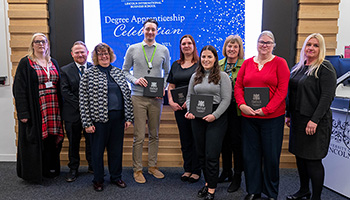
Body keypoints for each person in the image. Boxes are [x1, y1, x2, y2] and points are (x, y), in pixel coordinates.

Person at [234, 30, 290, 200]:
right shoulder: (247, 63)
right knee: (251, 156)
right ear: (257, 44)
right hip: (249, 118)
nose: (264, 45)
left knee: (271, 156)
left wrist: (267, 109)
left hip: (272, 119)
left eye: (268, 42)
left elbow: (282, 91)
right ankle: (253, 190)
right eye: (261, 42)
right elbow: (238, 86)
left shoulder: (280, 63)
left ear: (273, 45)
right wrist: (242, 105)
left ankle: (271, 193)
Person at [285, 33, 336, 200]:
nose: (311, 48)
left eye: (315, 45)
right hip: (298, 120)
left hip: (316, 121)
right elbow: (292, 93)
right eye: (309, 45)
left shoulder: (325, 68)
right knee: (300, 157)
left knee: (313, 161)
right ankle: (304, 190)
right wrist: (288, 114)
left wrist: (314, 120)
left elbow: (327, 97)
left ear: (321, 48)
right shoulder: (298, 67)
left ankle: (316, 197)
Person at [79, 43, 134, 191]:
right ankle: (98, 180)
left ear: (111, 55)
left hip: (118, 119)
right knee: (97, 152)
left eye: (106, 54)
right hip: (98, 121)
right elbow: (83, 100)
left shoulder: (118, 72)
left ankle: (116, 177)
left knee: (116, 150)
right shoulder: (89, 74)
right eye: (101, 54)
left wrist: (128, 117)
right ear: (96, 57)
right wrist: (87, 122)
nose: (104, 56)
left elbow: (126, 97)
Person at [122, 18, 170, 184]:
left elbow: (168, 73)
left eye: (153, 29)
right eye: (147, 29)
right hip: (138, 97)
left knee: (154, 134)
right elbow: (125, 71)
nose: (150, 32)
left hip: (156, 99)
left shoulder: (163, 50)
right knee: (139, 135)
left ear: (157, 32)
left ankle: (152, 166)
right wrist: (135, 80)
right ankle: (137, 169)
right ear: (143, 30)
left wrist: (163, 88)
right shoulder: (133, 49)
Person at [13, 32, 64, 183]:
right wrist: (23, 112)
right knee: (35, 140)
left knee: (51, 139)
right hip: (36, 108)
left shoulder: (52, 62)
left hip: (53, 107)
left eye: (43, 41)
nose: (41, 44)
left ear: (47, 44)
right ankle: (34, 173)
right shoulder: (26, 62)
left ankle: (49, 170)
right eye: (37, 42)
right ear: (32, 45)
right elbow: (19, 89)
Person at [185, 45, 232, 200]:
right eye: (203, 57)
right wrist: (190, 111)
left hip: (216, 117)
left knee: (211, 155)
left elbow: (226, 99)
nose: (206, 60)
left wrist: (215, 115)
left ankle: (212, 189)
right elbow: (190, 96)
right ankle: (207, 183)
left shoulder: (223, 76)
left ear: (215, 59)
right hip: (197, 118)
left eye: (209, 57)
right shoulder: (195, 76)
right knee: (201, 154)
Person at [167, 34, 201, 183]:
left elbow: (203, 87)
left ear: (193, 46)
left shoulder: (200, 64)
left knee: (196, 139)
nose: (186, 46)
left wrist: (191, 101)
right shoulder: (175, 64)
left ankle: (197, 170)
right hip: (179, 108)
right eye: (183, 44)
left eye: (189, 43)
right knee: (185, 139)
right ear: (180, 47)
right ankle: (187, 169)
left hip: (194, 107)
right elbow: (171, 85)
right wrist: (170, 101)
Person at [60, 41, 93, 182]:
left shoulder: (95, 68)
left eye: (82, 52)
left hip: (92, 114)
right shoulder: (65, 70)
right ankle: (73, 169)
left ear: (87, 53)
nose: (80, 54)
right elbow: (65, 91)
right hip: (72, 113)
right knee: (73, 143)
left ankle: (93, 166)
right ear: (72, 54)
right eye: (77, 52)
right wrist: (82, 105)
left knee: (92, 142)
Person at [218, 35, 245, 193]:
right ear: (225, 48)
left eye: (235, 47)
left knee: (236, 143)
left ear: (239, 49)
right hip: (222, 109)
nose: (232, 49)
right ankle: (226, 171)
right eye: (229, 46)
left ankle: (237, 176)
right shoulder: (219, 64)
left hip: (237, 110)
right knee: (224, 142)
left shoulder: (246, 65)